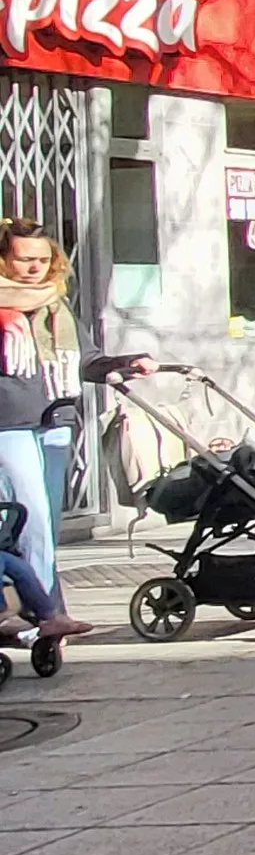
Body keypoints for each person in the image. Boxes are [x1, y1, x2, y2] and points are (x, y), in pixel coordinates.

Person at [0, 221, 93, 646]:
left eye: (42, 259)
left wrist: (120, 365)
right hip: (10, 423)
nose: (35, 268)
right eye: (24, 260)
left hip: (55, 422)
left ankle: (48, 614)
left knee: (45, 528)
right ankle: (38, 613)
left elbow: (85, 357)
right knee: (29, 519)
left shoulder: (56, 304)